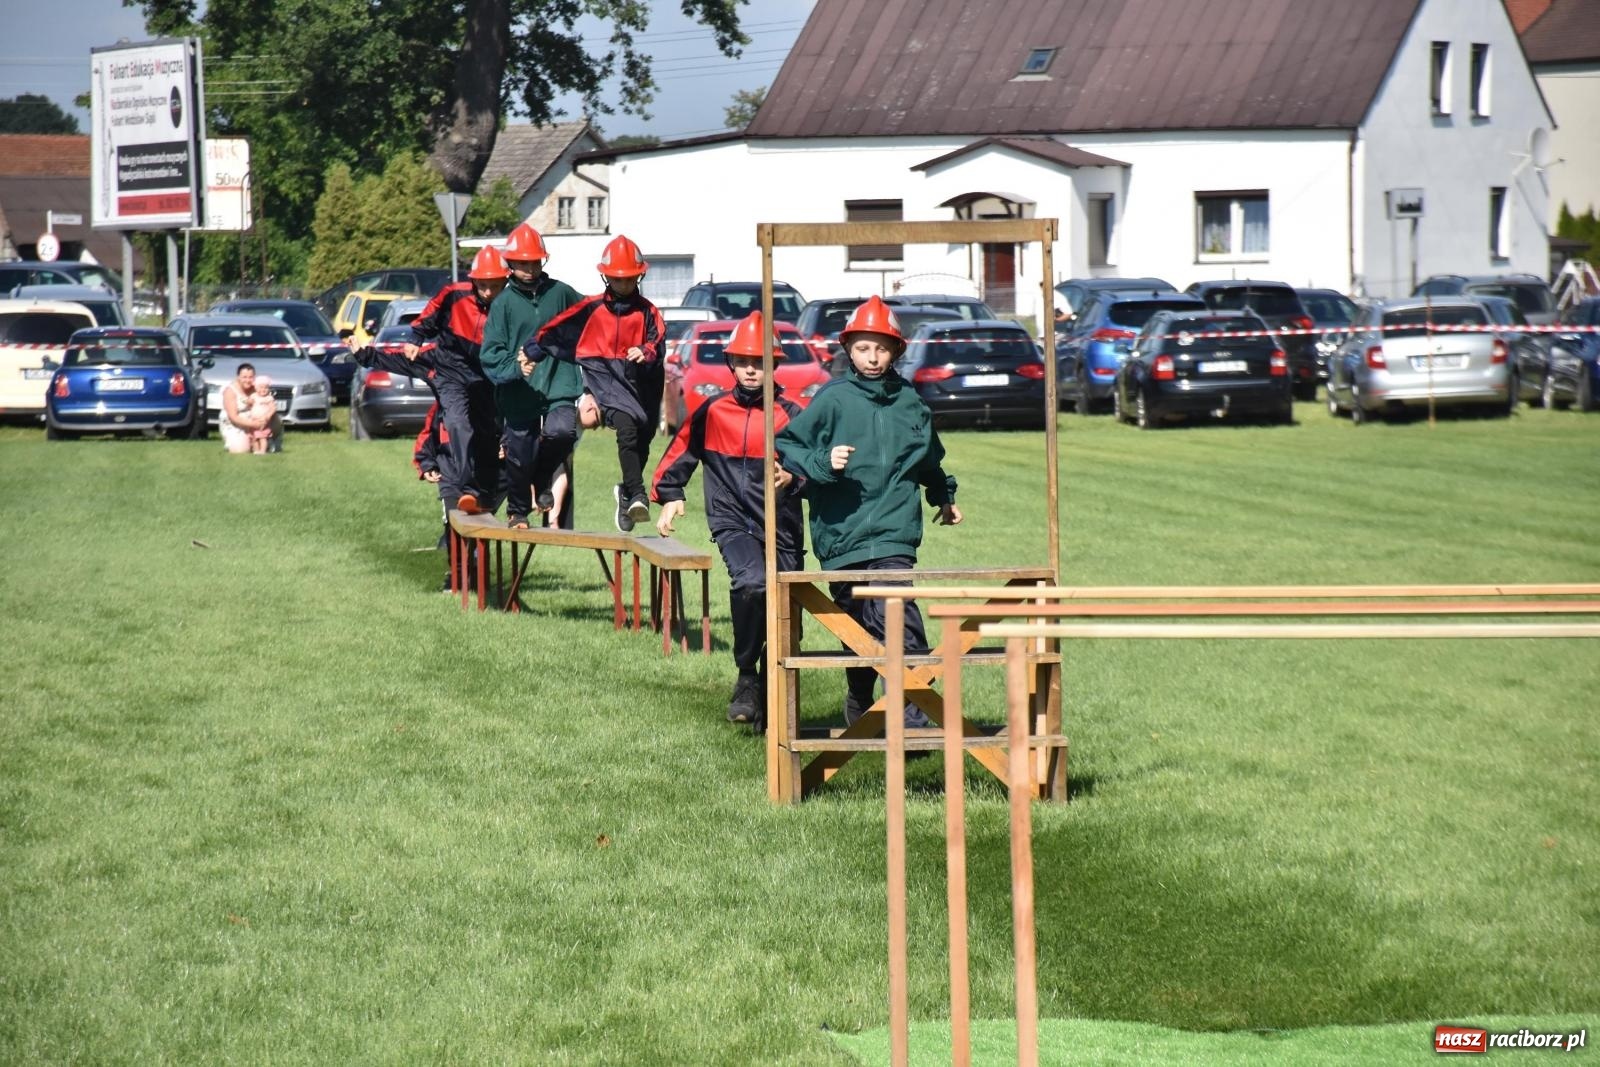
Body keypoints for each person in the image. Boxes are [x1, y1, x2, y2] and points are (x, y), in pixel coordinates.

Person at [776, 296, 964, 729]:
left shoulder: (911, 403)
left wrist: (943, 497)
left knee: (898, 616)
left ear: (896, 350)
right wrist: (824, 462)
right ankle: (860, 696)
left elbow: (928, 460)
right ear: (848, 350)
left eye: (881, 348)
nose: (873, 357)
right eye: (863, 348)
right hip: (841, 533)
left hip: (895, 531)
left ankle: (913, 720)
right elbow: (788, 447)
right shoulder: (833, 399)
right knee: (858, 631)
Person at [652, 310, 804, 727]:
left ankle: (777, 694)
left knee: (787, 608)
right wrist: (670, 495)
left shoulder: (793, 414)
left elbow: (814, 467)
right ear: (731, 364)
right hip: (732, 519)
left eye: (761, 363)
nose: (752, 370)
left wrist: (796, 475)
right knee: (753, 582)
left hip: (782, 524)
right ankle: (746, 677)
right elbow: (678, 454)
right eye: (744, 362)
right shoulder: (713, 411)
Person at [528, 234, 665, 533]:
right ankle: (638, 493)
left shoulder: (648, 312)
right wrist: (531, 350)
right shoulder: (590, 309)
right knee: (626, 429)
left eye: (630, 279)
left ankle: (627, 493)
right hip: (607, 384)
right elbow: (556, 328)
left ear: (639, 276)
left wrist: (645, 351)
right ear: (605, 277)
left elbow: (658, 341)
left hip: (643, 387)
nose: (624, 285)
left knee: (642, 439)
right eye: (617, 279)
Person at [477, 223, 583, 530]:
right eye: (522, 262)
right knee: (520, 455)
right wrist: (514, 368)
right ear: (510, 263)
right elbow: (490, 353)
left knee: (563, 431)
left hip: (558, 382)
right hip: (519, 390)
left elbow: (590, 316)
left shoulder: (561, 292)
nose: (529, 268)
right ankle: (518, 511)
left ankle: (543, 473)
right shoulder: (503, 304)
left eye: (535, 261)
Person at [406, 244, 507, 515]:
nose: (488, 292)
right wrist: (416, 339)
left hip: (487, 380)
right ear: (474, 281)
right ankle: (465, 488)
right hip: (453, 374)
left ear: (504, 283)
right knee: (458, 425)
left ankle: (489, 493)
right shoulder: (454, 294)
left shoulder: (509, 305)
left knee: (487, 434)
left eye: (495, 286)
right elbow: (428, 314)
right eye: (483, 285)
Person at [218, 363, 275, 454]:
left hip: (256, 419)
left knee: (276, 419)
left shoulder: (258, 388)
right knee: (241, 450)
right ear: (238, 377)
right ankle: (237, 442)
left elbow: (269, 404)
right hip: (235, 423)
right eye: (244, 377)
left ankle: (270, 440)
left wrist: (266, 417)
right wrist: (254, 424)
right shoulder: (230, 391)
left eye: (250, 377)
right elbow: (233, 417)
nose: (248, 380)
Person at [247, 375, 278, 453]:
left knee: (262, 437)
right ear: (256, 388)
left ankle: (263, 450)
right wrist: (248, 401)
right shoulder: (254, 396)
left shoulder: (268, 398)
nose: (263, 390)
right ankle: (256, 450)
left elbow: (273, 408)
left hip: (263, 421)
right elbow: (249, 402)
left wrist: (268, 416)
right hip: (253, 421)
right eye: (261, 387)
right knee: (254, 437)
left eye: (266, 388)